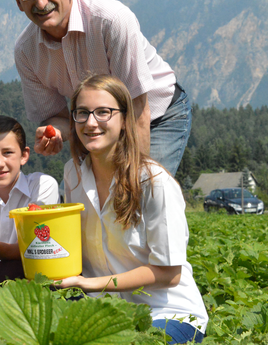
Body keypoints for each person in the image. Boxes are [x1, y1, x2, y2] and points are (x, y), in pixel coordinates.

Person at [8, 0, 191, 176]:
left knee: (146, 194)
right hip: (98, 123)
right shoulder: (26, 51)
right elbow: (62, 119)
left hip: (155, 115)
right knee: (88, 205)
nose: (41, 2)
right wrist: (54, 131)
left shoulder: (112, 20)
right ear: (18, 3)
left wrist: (134, 181)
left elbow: (137, 107)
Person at [59, 74, 207, 343]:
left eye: (103, 112)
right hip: (105, 312)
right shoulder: (73, 175)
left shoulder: (154, 182)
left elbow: (169, 273)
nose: (91, 123)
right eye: (82, 113)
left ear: (125, 121)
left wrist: (91, 283)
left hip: (167, 312)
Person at [0, 115, 60, 287]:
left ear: (24, 155)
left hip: (37, 288)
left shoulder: (41, 186)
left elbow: (37, 247)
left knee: (5, 271)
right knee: (0, 274)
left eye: (7, 153)